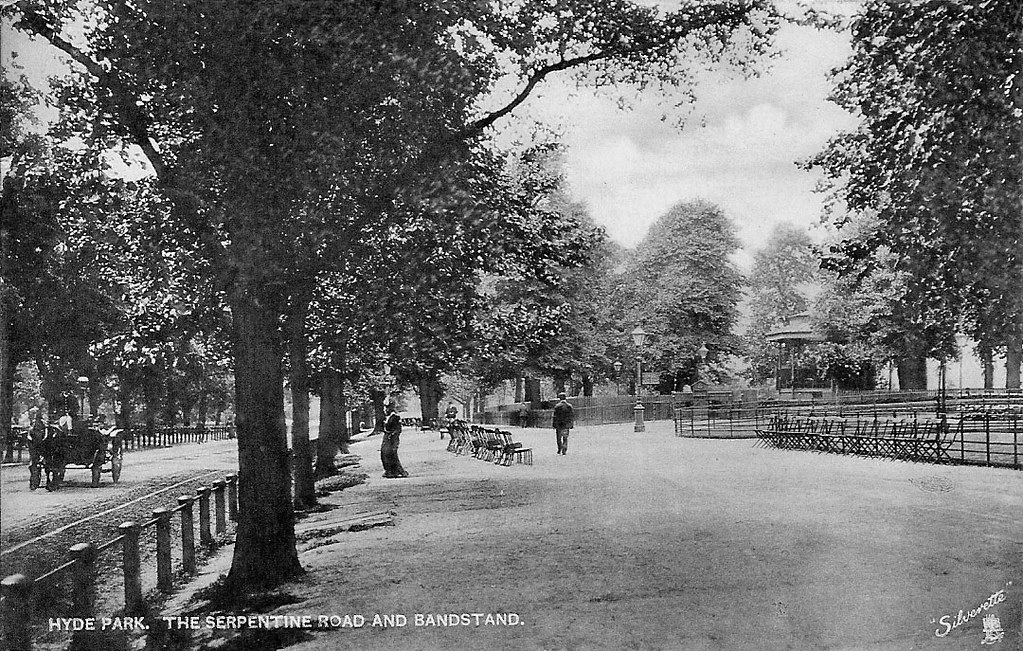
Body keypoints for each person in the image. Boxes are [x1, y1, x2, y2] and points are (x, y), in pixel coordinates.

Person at [380, 402, 408, 478]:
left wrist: (392, 434)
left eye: (386, 408)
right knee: (384, 453)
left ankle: (396, 471)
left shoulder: (395, 417)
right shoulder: (387, 418)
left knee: (392, 454)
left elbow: (398, 429)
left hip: (392, 438)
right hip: (386, 438)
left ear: (390, 409)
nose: (385, 410)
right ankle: (388, 470)